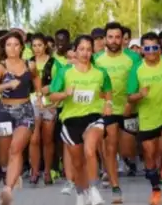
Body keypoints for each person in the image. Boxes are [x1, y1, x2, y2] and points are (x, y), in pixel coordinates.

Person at [49, 35, 113, 205]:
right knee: (78, 163)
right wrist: (64, 94)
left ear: (93, 51)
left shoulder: (100, 72)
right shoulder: (65, 72)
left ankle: (93, 189)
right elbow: (52, 95)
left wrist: (108, 104)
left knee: (90, 149)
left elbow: (108, 90)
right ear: (75, 51)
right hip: (71, 119)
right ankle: (81, 193)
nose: (85, 53)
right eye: (81, 49)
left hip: (94, 117)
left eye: (89, 49)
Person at [0, 32, 42, 205]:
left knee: (15, 149)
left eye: (16, 45)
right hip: (5, 112)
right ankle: (11, 174)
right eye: (9, 45)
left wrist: (39, 95)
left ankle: (8, 189)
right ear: (4, 48)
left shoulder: (29, 64)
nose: (12, 48)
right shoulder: (0, 67)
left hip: (25, 110)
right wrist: (8, 84)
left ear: (21, 47)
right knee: (4, 155)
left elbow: (36, 78)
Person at [127, 32, 162, 205]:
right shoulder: (137, 68)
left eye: (154, 47)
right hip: (147, 118)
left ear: (160, 49)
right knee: (149, 157)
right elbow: (129, 97)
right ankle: (156, 190)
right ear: (142, 50)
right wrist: (139, 95)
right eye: (147, 48)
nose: (151, 52)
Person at [94, 22, 142, 203]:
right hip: (107, 108)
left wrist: (131, 101)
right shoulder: (97, 59)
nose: (114, 40)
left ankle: (120, 163)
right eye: (110, 37)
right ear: (105, 39)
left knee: (128, 150)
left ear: (123, 39)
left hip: (129, 108)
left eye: (117, 37)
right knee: (111, 145)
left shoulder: (133, 58)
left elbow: (138, 80)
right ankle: (115, 186)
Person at [29, 32, 62, 185]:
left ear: (45, 46)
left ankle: (48, 171)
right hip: (32, 102)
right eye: (34, 46)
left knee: (48, 139)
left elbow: (59, 83)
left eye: (40, 45)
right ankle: (35, 171)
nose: (37, 48)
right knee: (34, 138)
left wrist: (51, 92)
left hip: (49, 103)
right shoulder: (28, 62)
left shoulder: (54, 63)